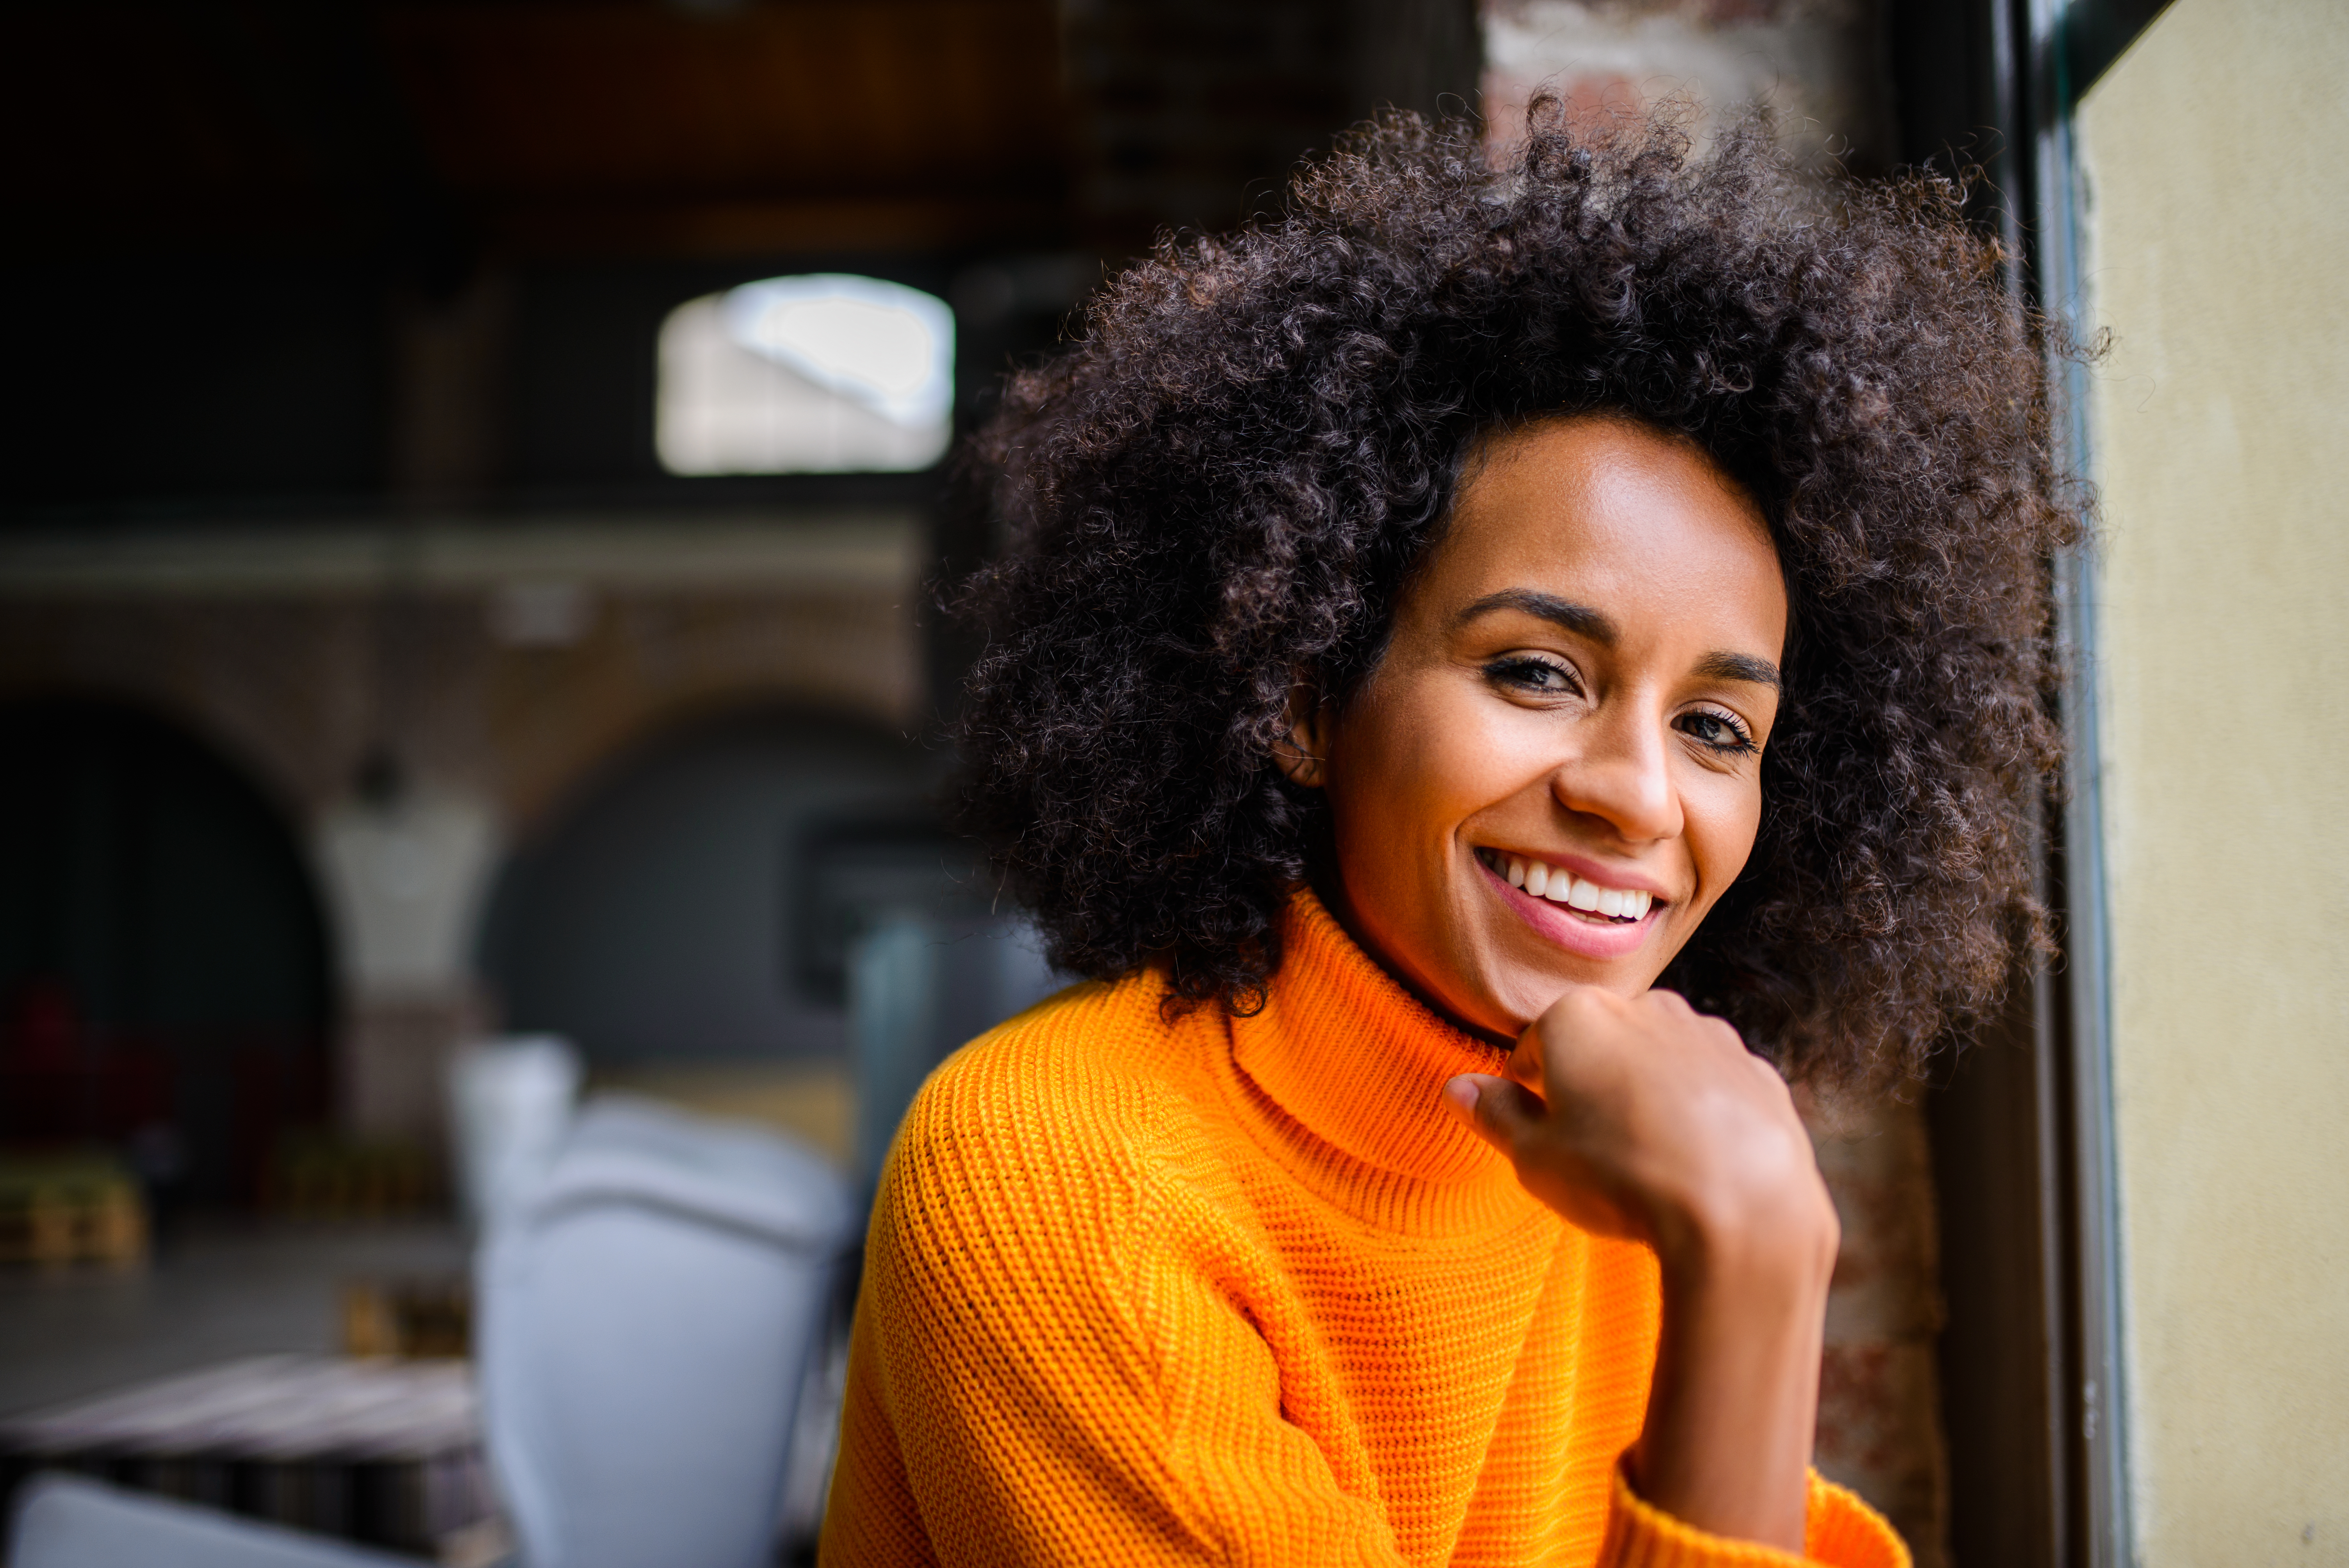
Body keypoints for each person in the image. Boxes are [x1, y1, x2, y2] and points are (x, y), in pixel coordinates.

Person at [820, 103, 2076, 1567]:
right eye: (1539, 672)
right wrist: (1758, 1263)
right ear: (1303, 698)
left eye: (1717, 729)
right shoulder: (1059, 1171)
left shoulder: (1621, 1146)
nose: (1642, 795)